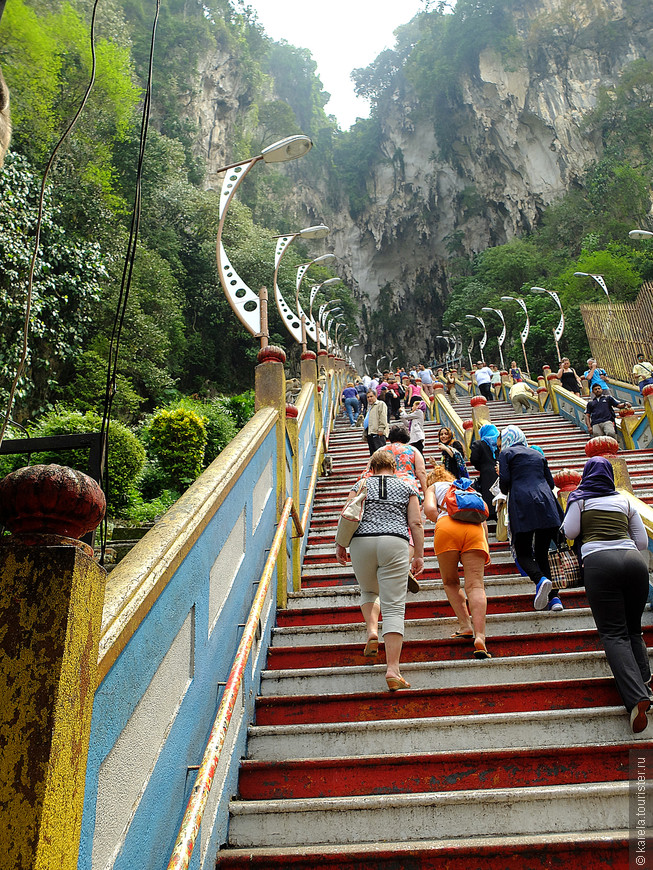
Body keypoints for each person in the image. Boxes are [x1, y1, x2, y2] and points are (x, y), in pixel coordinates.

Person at [561, 456, 651, 733]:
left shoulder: (580, 498)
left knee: (613, 633)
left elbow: (571, 531)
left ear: (586, 475)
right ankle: (645, 680)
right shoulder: (624, 500)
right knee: (633, 629)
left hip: (600, 564)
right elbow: (642, 542)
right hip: (634, 563)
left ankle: (637, 698)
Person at [335, 449, 424, 690]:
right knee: (394, 606)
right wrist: (419, 554)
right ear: (394, 469)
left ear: (372, 468)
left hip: (361, 542)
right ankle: (393, 671)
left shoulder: (362, 482)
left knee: (368, 590)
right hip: (395, 542)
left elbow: (347, 511)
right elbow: (415, 522)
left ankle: (372, 631)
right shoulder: (407, 487)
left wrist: (340, 544)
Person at [424, 466, 491, 658]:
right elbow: (483, 518)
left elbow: (428, 509)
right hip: (475, 531)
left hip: (447, 528)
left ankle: (465, 626)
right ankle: (480, 636)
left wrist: (443, 520)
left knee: (451, 582)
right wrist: (485, 543)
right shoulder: (467, 488)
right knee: (476, 586)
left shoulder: (434, 487)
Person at [498, 425, 563, 612]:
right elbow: (550, 483)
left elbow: (504, 484)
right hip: (546, 504)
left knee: (523, 551)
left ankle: (540, 579)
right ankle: (555, 599)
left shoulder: (506, 453)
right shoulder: (536, 453)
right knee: (542, 553)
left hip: (522, 503)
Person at [382, 426, 428, 494]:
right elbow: (421, 472)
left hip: (387, 486)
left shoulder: (382, 450)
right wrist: (427, 495)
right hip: (408, 485)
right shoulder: (413, 450)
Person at [470, 423, 500, 521]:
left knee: (488, 494)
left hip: (486, 473)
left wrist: (481, 467)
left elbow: (473, 459)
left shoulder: (478, 444)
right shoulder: (499, 442)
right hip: (499, 471)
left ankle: (489, 513)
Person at [366, 389, 389, 455]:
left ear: (375, 396)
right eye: (368, 397)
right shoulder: (370, 407)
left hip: (378, 433)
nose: (369, 398)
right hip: (371, 433)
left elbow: (383, 417)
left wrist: (381, 429)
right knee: (373, 455)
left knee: (380, 455)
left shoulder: (380, 404)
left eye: (371, 396)